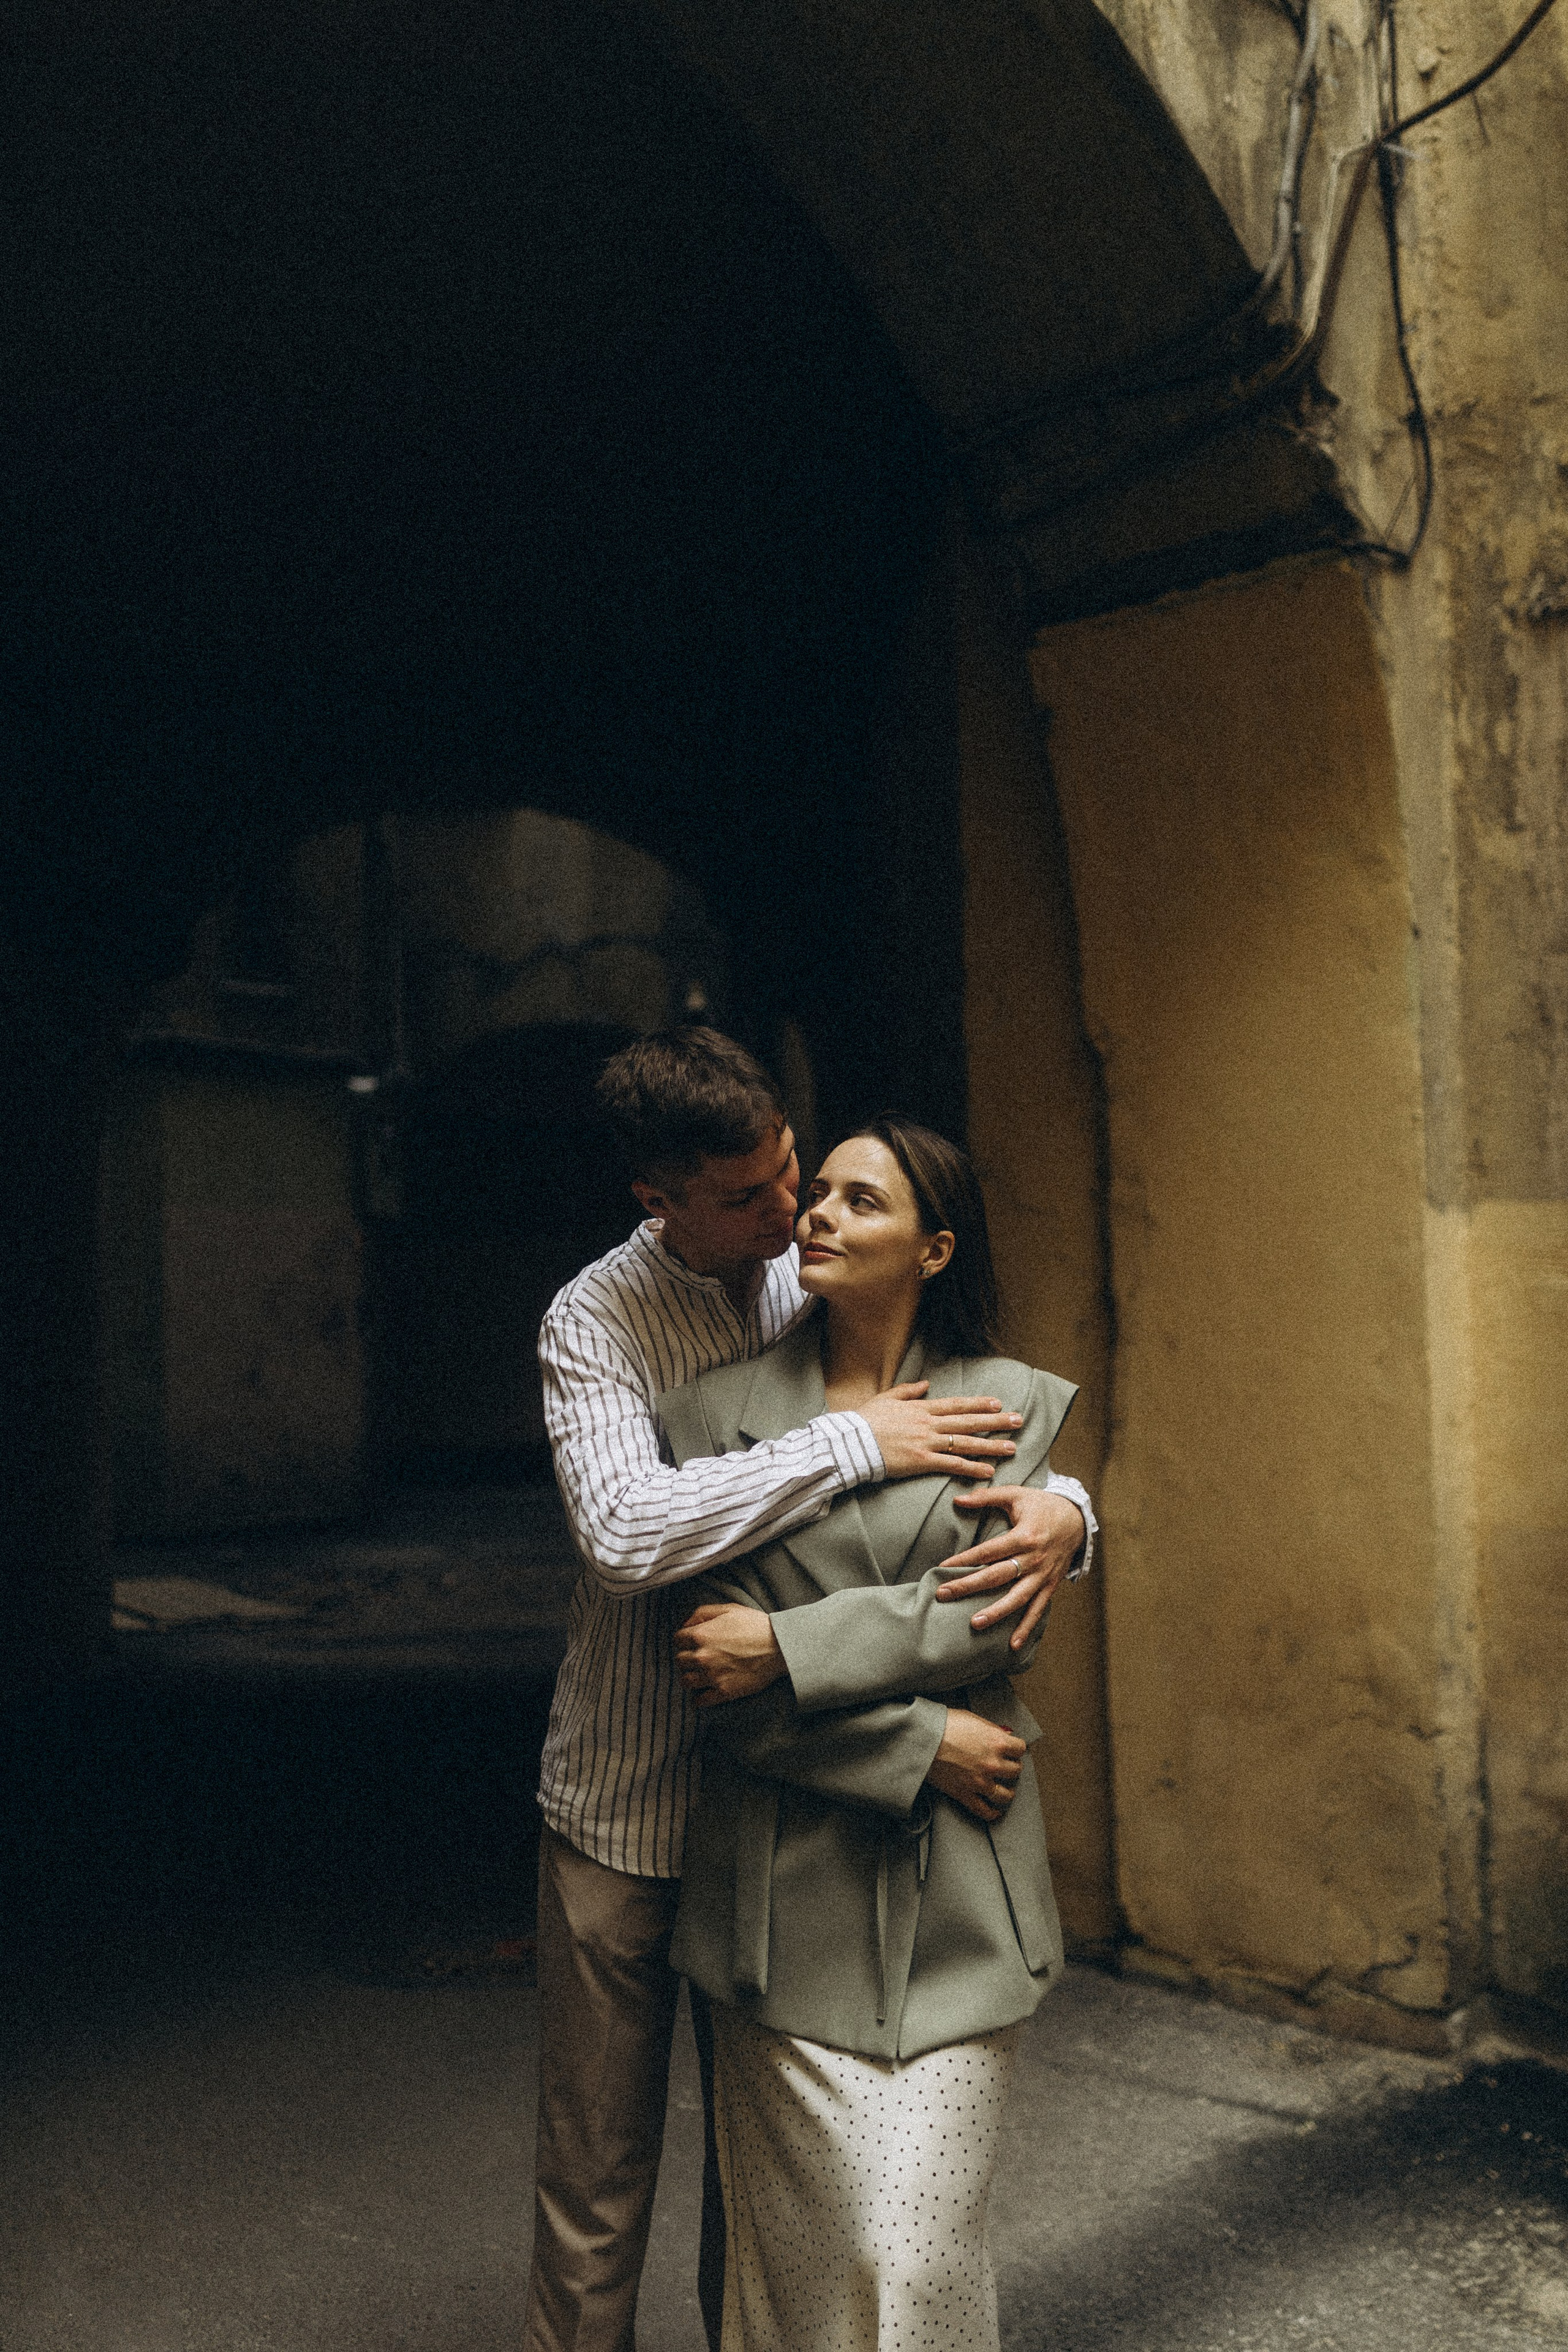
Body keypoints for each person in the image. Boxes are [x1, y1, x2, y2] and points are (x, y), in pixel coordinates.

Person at [524, 1030, 1095, 2352]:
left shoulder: (809, 1260)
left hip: (793, 1802)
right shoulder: (592, 1322)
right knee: (599, 2181)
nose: (792, 1214)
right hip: (630, 1797)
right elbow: (626, 1534)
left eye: (797, 1172)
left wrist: (1070, 1514)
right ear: (659, 1201)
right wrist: (851, 1444)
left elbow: (981, 1445)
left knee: (774, 2200)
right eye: (753, 1196)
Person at [662, 1115, 1074, 2352]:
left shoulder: (1011, 1404)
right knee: (807, 2275)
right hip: (775, 1909)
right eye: (820, 1193)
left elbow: (992, 1630)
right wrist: (918, 1744)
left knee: (917, 2253)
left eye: (861, 1200)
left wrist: (789, 1647)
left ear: (934, 1249)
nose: (819, 1214)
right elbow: (713, 1683)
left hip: (965, 1898)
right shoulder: (711, 1416)